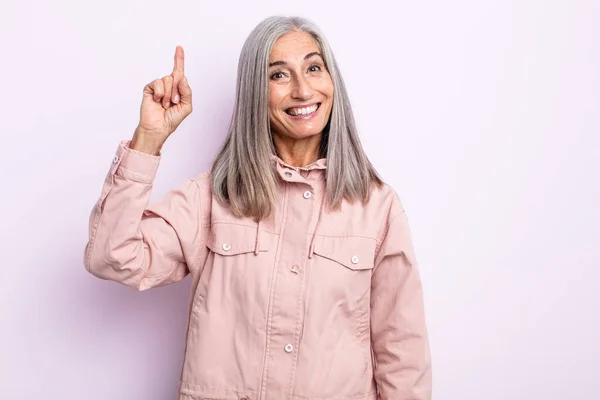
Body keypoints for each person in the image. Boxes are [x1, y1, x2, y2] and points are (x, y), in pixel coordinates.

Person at [84, 15, 432, 400]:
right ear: (255, 91)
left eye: (314, 68)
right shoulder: (212, 197)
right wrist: (147, 140)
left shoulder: (377, 207)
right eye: (279, 75)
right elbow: (111, 257)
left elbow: (403, 353)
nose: (302, 90)